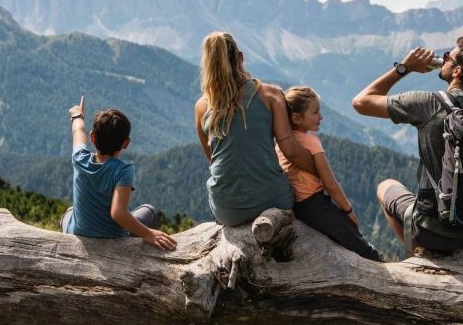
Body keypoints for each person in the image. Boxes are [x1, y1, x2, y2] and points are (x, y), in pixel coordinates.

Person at [351, 37, 463, 254]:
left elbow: (361, 102)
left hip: (436, 233)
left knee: (385, 186)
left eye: (448, 56)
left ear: (457, 71)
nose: (443, 59)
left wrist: (405, 68)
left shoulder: (429, 104)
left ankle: (419, 254)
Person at [194, 32, 317, 226]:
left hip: (227, 210)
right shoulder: (270, 95)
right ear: (240, 57)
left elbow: (213, 158)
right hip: (273, 201)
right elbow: (291, 151)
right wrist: (321, 173)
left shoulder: (201, 106)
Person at [276, 86, 384, 261]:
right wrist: (348, 211)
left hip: (295, 205)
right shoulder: (311, 141)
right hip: (315, 205)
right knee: (364, 249)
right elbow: (330, 184)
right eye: (315, 112)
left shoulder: (282, 143)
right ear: (297, 118)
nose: (321, 117)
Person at [61, 96, 177, 250]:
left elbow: (78, 131)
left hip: (79, 232)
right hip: (112, 238)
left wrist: (77, 114)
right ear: (126, 143)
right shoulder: (123, 170)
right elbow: (118, 213)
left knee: (69, 213)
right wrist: (148, 233)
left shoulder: (79, 158)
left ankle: (65, 220)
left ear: (92, 137)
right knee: (150, 212)